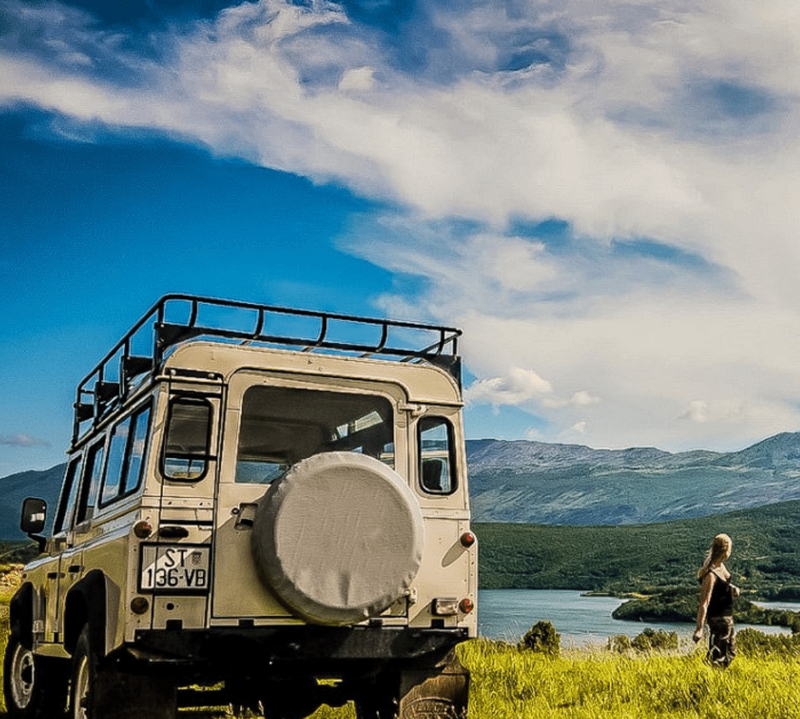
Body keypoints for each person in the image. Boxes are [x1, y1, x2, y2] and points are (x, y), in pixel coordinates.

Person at [692, 533, 740, 667]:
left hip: (727, 617)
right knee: (718, 657)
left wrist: (732, 587)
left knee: (730, 653)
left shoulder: (720, 565)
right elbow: (703, 604)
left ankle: (710, 676)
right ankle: (707, 680)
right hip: (719, 619)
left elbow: (721, 584)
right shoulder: (710, 574)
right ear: (726, 550)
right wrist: (699, 629)